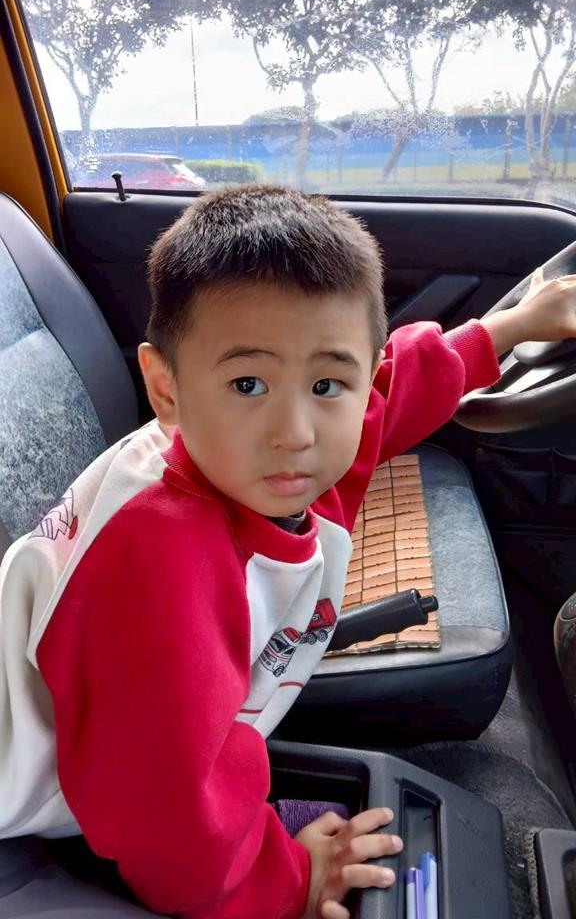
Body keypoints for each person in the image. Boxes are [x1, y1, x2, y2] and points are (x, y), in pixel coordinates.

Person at [0, 185, 575, 919]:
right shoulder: (161, 572)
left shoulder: (249, 458)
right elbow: (165, 813)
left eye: (328, 383)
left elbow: (385, 396)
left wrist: (512, 327)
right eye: (248, 384)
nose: (296, 433)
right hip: (40, 793)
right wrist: (289, 882)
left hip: (125, 740)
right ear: (166, 387)